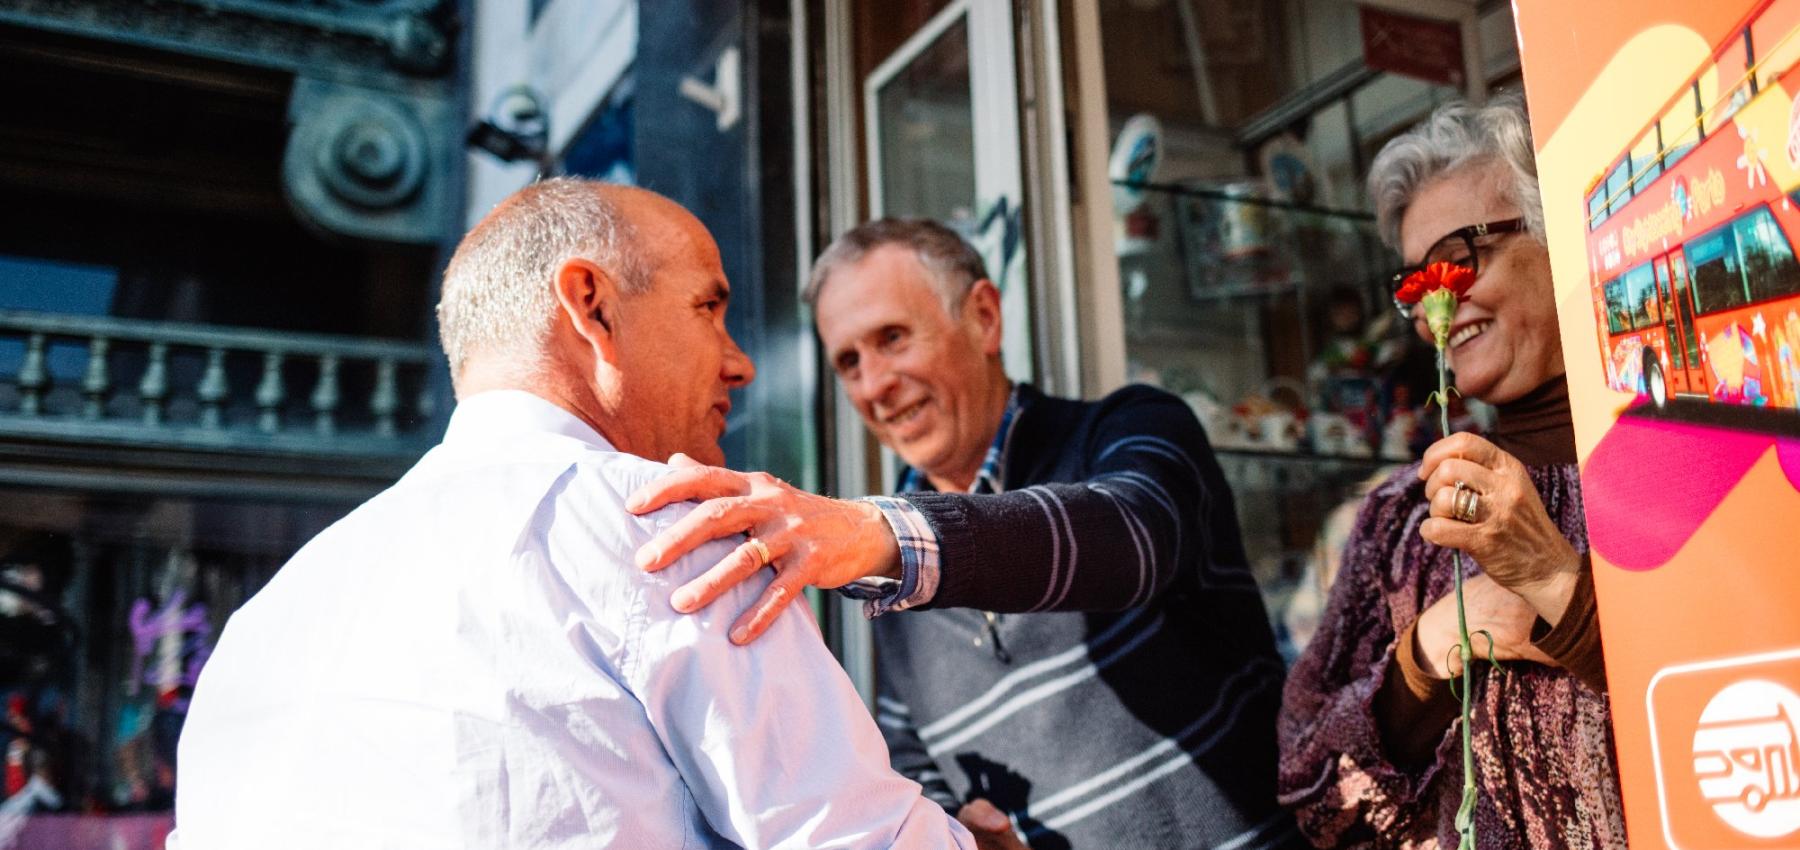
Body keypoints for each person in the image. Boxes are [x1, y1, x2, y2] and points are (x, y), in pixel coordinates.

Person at [169, 179, 975, 849]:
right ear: (591, 306)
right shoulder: (662, 522)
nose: (740, 363)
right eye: (708, 307)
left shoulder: (264, 622)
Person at [628, 219, 1300, 849]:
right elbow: (912, 763)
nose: (875, 384)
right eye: (850, 362)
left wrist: (879, 535)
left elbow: (1133, 537)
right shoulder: (891, 571)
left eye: (893, 338)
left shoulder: (1131, 427)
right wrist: (959, 830)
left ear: (984, 317)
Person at [1276, 94, 1626, 847]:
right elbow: (1311, 791)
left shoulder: (1682, 462)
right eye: (1416, 278)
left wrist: (1558, 587)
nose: (1436, 298)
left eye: (1461, 255)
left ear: (1560, 236)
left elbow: (1736, 694)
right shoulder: (1402, 518)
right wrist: (1425, 656)